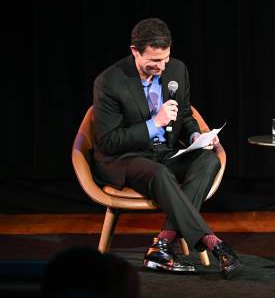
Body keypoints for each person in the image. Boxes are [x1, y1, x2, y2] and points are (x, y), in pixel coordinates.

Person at [92, 18, 241, 278]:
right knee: (160, 174)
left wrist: (197, 135)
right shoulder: (109, 81)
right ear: (135, 52)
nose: (161, 68)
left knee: (209, 161)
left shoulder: (177, 70)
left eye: (165, 59)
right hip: (124, 158)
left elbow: (184, 115)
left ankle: (161, 246)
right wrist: (154, 123)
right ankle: (214, 243)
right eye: (154, 61)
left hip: (164, 153)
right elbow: (108, 141)